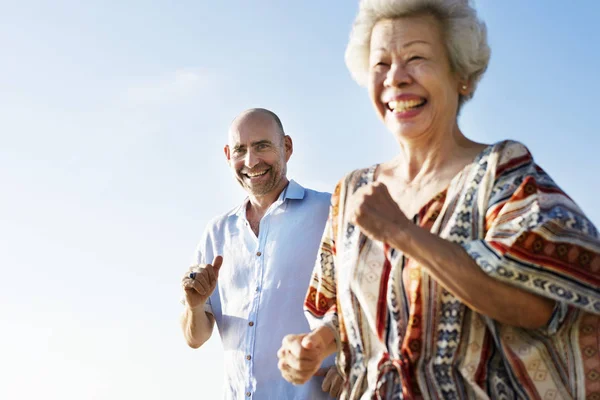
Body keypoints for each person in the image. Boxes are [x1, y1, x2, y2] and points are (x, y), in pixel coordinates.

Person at [277, 1, 600, 399]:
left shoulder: (503, 172)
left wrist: (402, 232)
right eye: (381, 64)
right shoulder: (351, 191)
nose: (395, 78)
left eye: (416, 57)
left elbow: (537, 305)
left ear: (461, 75)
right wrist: (316, 346)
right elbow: (347, 311)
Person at [180, 108, 343, 399]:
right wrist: (194, 306)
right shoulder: (217, 232)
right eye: (241, 150)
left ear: (287, 148)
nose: (251, 161)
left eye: (262, 146)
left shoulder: (330, 213)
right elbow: (195, 338)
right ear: (228, 155)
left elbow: (376, 306)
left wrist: (352, 361)